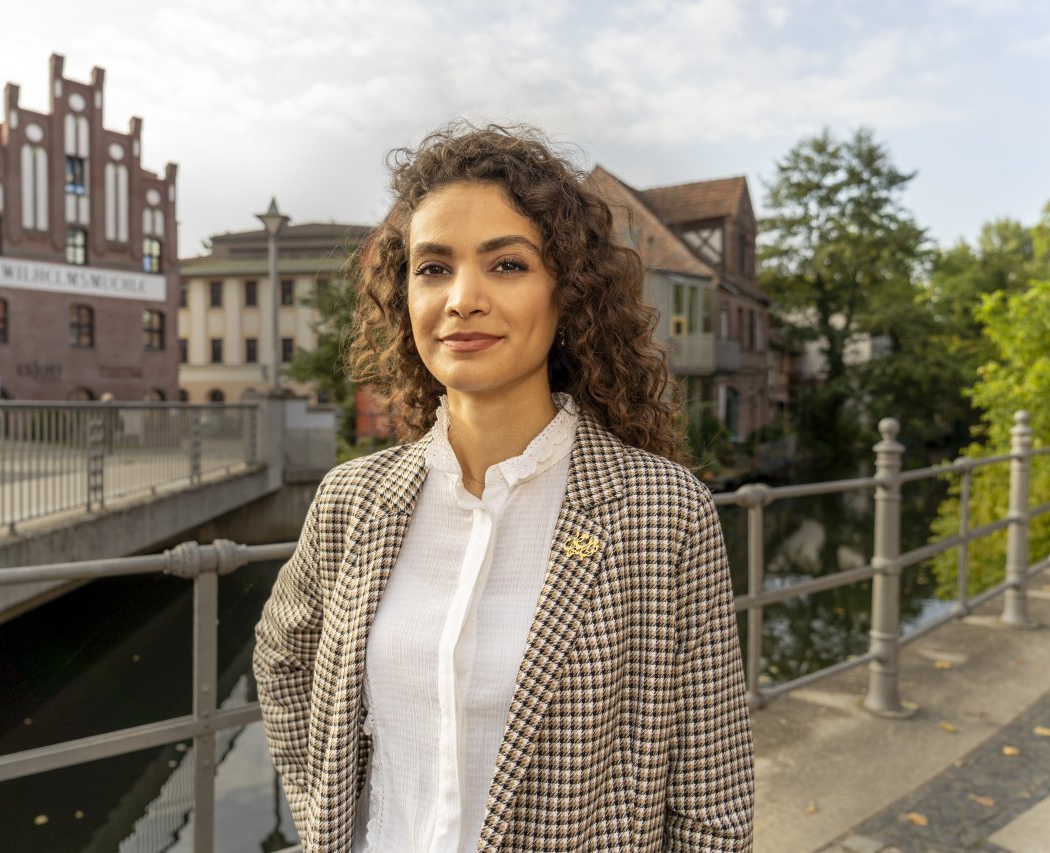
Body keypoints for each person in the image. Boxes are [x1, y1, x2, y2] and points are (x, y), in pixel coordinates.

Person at [254, 122, 753, 852]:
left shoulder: (662, 511)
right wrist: (326, 811)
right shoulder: (353, 499)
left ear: (567, 293)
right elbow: (281, 655)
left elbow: (713, 806)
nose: (462, 299)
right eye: (433, 268)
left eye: (507, 265)